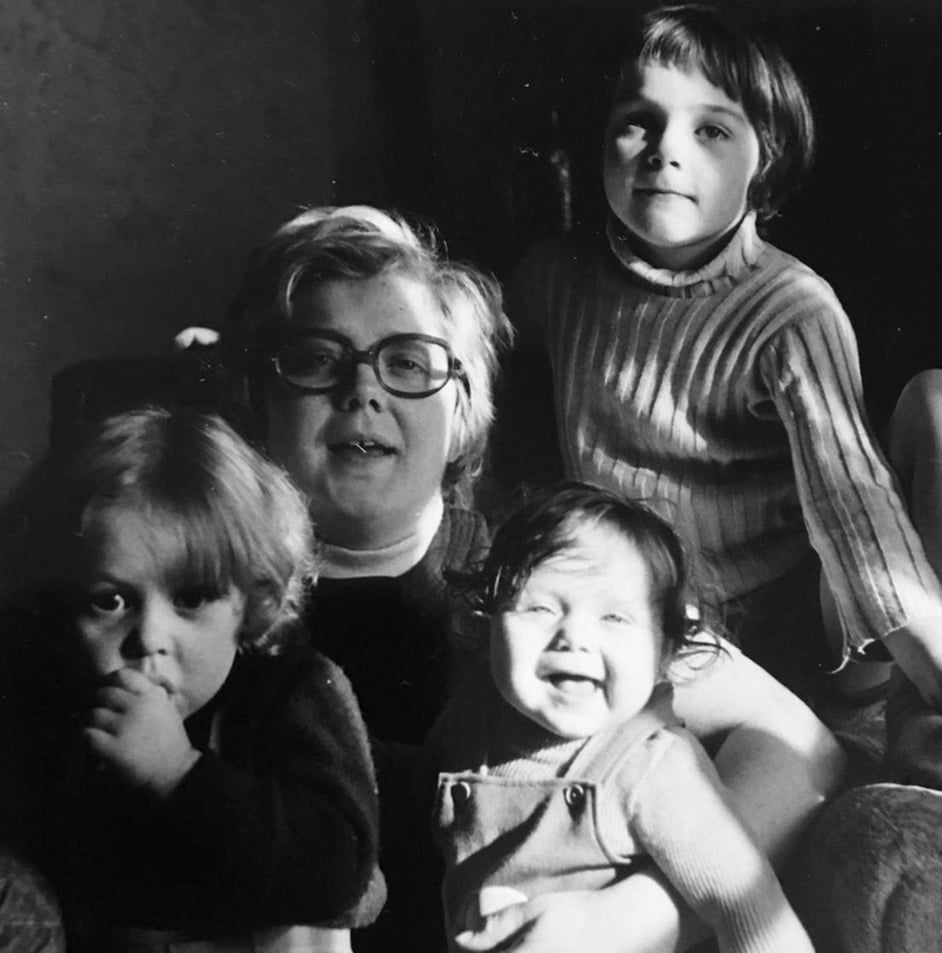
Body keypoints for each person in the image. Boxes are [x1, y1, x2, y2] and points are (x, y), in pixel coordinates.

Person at [215, 204, 844, 953]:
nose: (363, 389)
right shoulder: (206, 597)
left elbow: (800, 744)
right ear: (259, 395)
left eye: (408, 361)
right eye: (318, 357)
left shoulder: (536, 574)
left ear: (463, 405)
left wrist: (640, 914)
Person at [502, 2, 942, 789]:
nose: (665, 152)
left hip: (815, 633)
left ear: (765, 162)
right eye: (638, 122)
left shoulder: (788, 310)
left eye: (711, 130)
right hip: (655, 627)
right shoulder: (554, 279)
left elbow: (854, 507)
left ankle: (934, 706)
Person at [0, 407, 384, 952]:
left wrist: (180, 773)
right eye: (109, 601)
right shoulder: (61, 702)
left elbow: (340, 872)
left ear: (254, 601)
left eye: (192, 598)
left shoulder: (293, 691)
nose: (149, 637)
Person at [432, 483, 815, 953]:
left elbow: (750, 912)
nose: (573, 637)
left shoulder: (655, 767)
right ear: (488, 621)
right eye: (540, 607)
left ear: (665, 651)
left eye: (613, 618)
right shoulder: (473, 714)